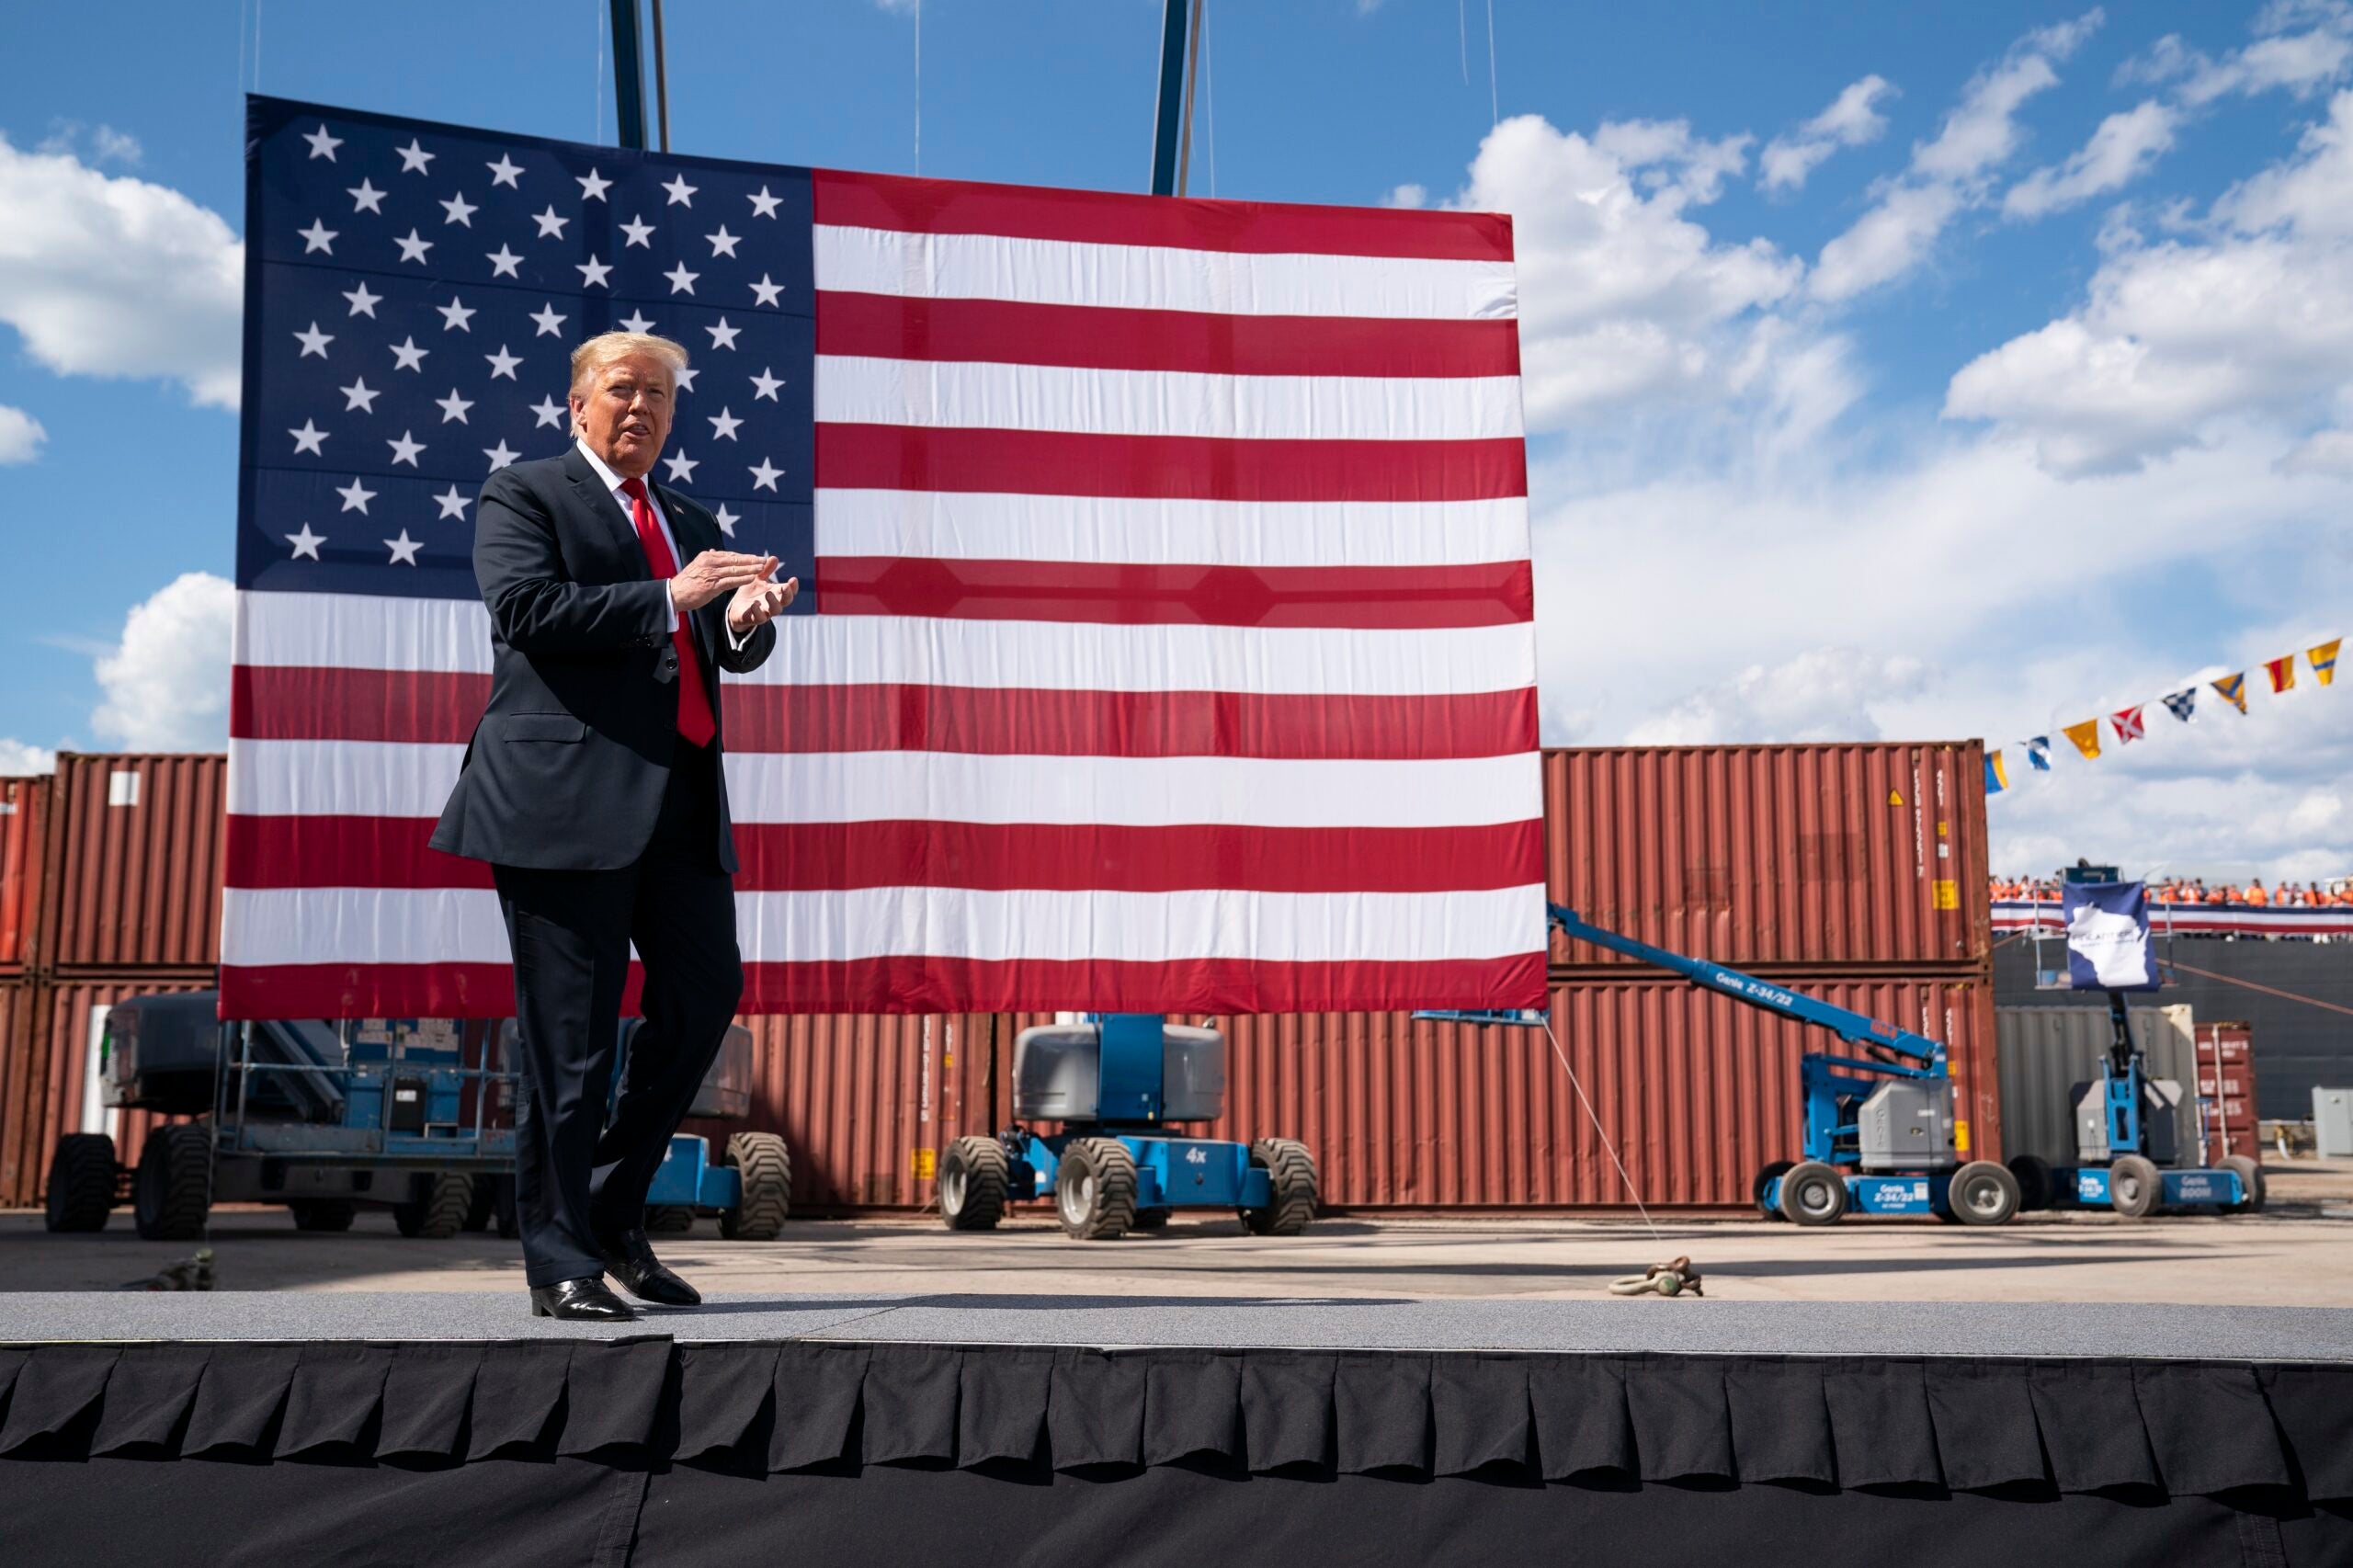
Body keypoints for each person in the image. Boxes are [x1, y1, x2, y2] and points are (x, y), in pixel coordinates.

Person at [431, 332, 796, 1321]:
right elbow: (524, 608)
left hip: (677, 800)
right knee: (572, 1044)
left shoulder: (687, 516)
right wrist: (670, 597)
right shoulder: (526, 492)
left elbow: (712, 645)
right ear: (577, 405)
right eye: (621, 390)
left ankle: (608, 1212)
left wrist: (744, 619)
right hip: (559, 804)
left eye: (659, 398)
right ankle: (560, 1260)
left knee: (703, 994)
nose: (640, 409)